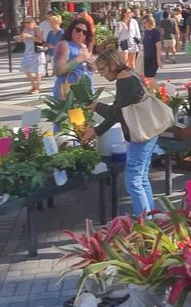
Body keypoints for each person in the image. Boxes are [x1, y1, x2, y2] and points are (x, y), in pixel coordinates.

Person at [81, 48, 157, 218]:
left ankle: (145, 224)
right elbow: (120, 112)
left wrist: (97, 107)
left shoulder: (124, 80)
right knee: (141, 177)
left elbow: (115, 113)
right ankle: (150, 218)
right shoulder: (130, 74)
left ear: (112, 64)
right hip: (148, 131)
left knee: (133, 181)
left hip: (141, 134)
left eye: (102, 69)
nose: (101, 74)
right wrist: (96, 130)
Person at [53, 18, 95, 99]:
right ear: (71, 30)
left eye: (84, 32)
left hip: (85, 90)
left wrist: (93, 66)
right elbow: (58, 70)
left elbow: (87, 70)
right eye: (78, 30)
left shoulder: (83, 47)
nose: (81, 34)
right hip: (69, 91)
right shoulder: (64, 45)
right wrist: (78, 59)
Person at [16, 16, 45, 94]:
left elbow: (40, 40)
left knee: (37, 70)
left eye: (28, 22)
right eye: (25, 22)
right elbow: (21, 40)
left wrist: (30, 36)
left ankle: (37, 88)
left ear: (33, 22)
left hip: (36, 52)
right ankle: (33, 84)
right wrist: (19, 38)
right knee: (26, 69)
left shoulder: (37, 29)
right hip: (28, 52)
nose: (26, 24)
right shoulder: (25, 29)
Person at [141, 14, 162, 81]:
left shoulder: (155, 32)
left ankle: (159, 91)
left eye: (145, 22)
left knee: (150, 78)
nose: (144, 24)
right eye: (143, 23)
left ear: (150, 22)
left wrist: (158, 60)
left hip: (153, 58)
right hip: (146, 57)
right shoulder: (146, 32)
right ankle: (153, 91)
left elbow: (159, 47)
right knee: (146, 77)